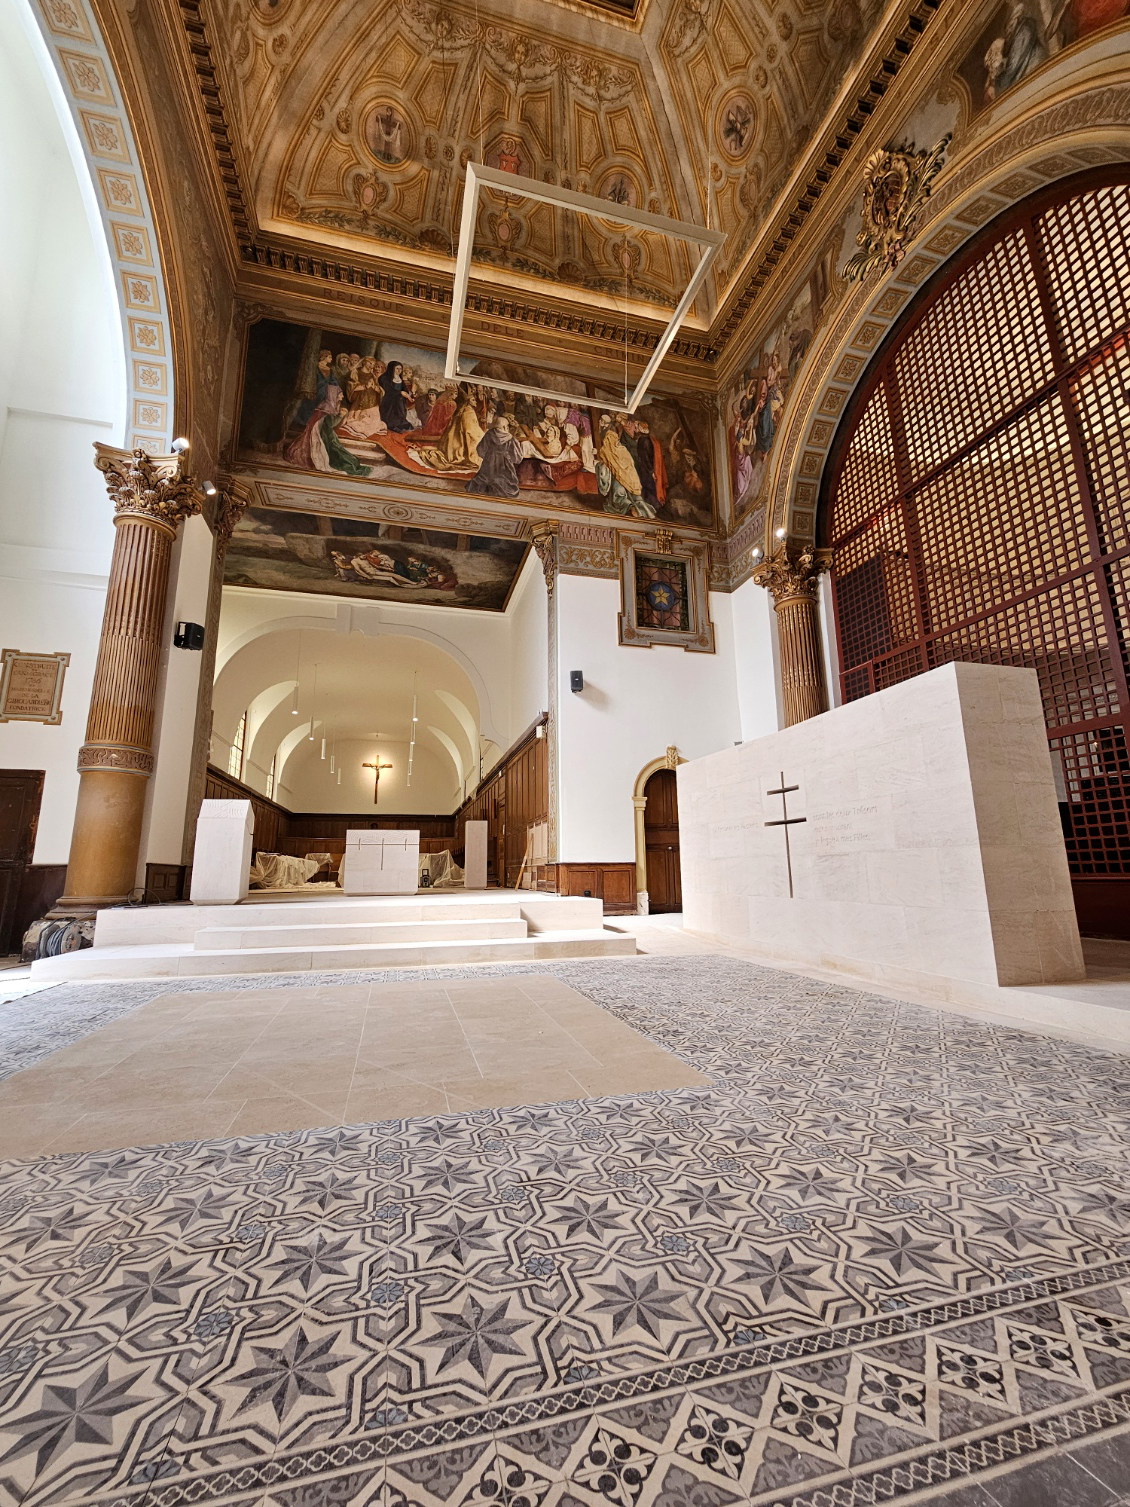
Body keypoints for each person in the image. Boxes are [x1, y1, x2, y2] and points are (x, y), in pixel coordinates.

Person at [468, 416, 525, 498]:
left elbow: (480, 450)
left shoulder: (489, 434)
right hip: (505, 465)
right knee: (506, 482)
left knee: (483, 479)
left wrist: (489, 456)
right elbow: (517, 459)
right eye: (507, 426)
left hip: (489, 462)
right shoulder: (511, 439)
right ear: (505, 427)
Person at [378, 362, 412, 432]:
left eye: (400, 369)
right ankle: (393, 425)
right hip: (389, 401)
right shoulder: (384, 378)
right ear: (392, 369)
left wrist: (408, 394)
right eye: (397, 369)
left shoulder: (400, 379)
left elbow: (404, 389)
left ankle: (401, 423)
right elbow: (389, 389)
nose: (399, 371)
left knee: (400, 402)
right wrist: (399, 393)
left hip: (399, 400)